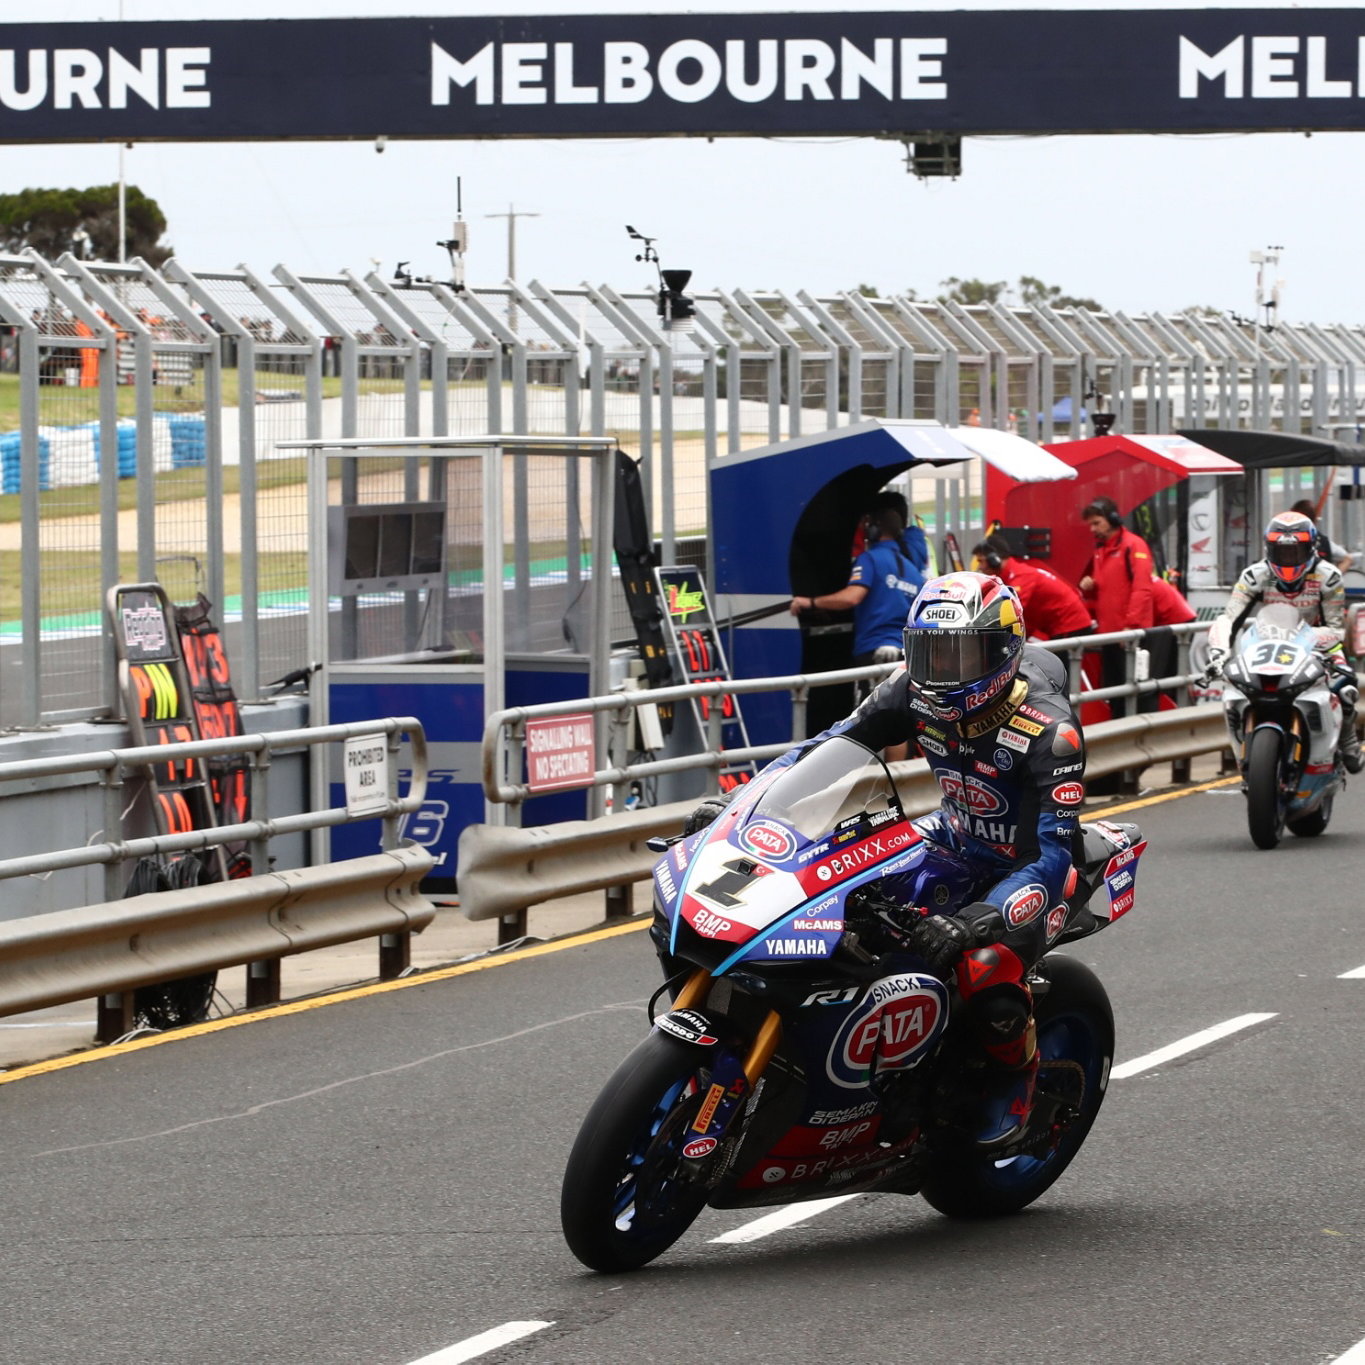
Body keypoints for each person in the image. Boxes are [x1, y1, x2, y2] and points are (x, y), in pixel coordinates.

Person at [704, 571, 1086, 1147]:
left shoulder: (1050, 732)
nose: (940, 671)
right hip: (955, 837)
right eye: (928, 653)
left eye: (960, 654)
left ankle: (1016, 1076)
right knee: (848, 892)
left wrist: (978, 918)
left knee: (982, 964)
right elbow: (830, 750)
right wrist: (739, 810)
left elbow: (1057, 851)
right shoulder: (910, 687)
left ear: (1003, 651)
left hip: (1028, 867)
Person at [1207, 510, 1363, 772]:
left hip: (1317, 642)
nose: (1288, 558)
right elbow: (1229, 618)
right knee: (1236, 686)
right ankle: (1247, 750)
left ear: (1311, 547)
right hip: (1266, 644)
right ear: (1269, 549)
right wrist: (1219, 652)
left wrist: (1312, 638)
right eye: (1281, 551)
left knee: (1346, 685)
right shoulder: (1253, 576)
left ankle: (1348, 741)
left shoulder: (1329, 576)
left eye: (1296, 551)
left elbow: (1336, 629)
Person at [791, 502, 925, 671]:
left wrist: (810, 602)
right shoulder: (913, 570)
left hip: (874, 652)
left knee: (870, 698)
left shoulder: (870, 559)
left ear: (874, 529)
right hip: (905, 654)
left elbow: (852, 597)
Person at [1078, 496, 1156, 717]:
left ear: (1112, 519)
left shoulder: (1134, 545)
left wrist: (1130, 626)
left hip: (1128, 634)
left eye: (1097, 523)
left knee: (1135, 690)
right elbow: (1107, 589)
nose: (1093, 529)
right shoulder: (1100, 551)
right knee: (1115, 691)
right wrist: (1089, 587)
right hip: (1109, 635)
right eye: (1091, 524)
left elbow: (1142, 589)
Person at [971, 534, 1094, 641]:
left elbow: (1010, 612)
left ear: (995, 560)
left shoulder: (1020, 576)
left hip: (1070, 625)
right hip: (1059, 626)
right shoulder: (1013, 575)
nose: (980, 567)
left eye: (981, 561)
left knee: (1058, 665)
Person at [1291, 499, 1352, 573]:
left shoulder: (1283, 541)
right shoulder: (1324, 541)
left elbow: (1347, 559)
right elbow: (1348, 558)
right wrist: (1333, 578)